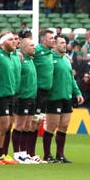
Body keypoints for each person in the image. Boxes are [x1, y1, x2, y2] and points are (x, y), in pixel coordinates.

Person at [43, 36, 84, 163]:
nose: (64, 45)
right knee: (52, 126)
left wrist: (77, 92)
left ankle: (60, 155)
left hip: (67, 97)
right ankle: (47, 155)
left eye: (65, 43)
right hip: (54, 97)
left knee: (64, 126)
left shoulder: (66, 60)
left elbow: (71, 78)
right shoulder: (49, 59)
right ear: (54, 45)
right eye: (61, 43)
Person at [0, 31, 19, 165]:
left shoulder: (10, 57)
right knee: (2, 126)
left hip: (10, 95)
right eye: (11, 39)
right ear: (3, 43)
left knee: (7, 126)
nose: (14, 42)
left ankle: (1, 154)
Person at [12, 37, 39, 164]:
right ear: (23, 48)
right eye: (31, 45)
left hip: (31, 97)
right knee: (19, 126)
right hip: (22, 97)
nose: (34, 47)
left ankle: (25, 153)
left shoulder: (30, 59)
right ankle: (17, 154)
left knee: (28, 126)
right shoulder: (19, 58)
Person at [31, 29, 55, 160]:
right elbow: (23, 52)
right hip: (37, 91)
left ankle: (32, 153)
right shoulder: (37, 51)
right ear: (44, 40)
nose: (53, 40)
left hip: (46, 92)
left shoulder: (50, 53)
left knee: (38, 122)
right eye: (51, 38)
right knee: (32, 122)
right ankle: (27, 153)